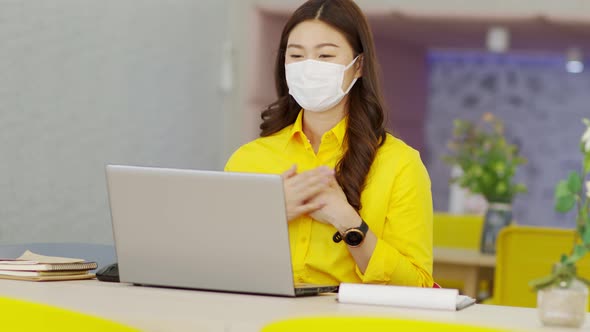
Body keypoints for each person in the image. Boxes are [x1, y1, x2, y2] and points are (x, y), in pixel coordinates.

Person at [225, 0, 433, 287]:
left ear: (358, 65)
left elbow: (419, 288)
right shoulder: (248, 159)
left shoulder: (400, 165)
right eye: (296, 55)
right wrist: (268, 213)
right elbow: (219, 263)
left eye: (324, 55)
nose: (309, 67)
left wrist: (349, 222)